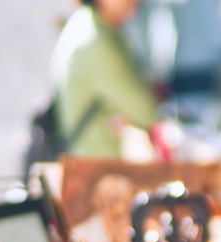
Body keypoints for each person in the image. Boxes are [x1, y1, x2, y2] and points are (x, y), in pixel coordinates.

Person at [50, 0, 159, 158]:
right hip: (97, 166)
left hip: (91, 158)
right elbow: (145, 111)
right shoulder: (95, 40)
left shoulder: (89, 22)